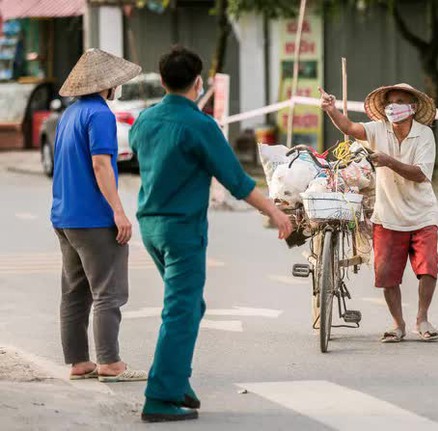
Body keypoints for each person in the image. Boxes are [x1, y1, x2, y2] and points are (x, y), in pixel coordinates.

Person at [129, 46, 293, 423]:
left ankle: (176, 379)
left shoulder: (145, 120)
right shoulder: (199, 126)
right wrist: (275, 212)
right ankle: (161, 395)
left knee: (188, 305)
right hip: (182, 230)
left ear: (164, 78)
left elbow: (140, 153)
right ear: (198, 83)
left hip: (150, 227)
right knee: (181, 309)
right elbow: (236, 181)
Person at [51, 49, 147, 382]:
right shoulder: (101, 115)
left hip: (65, 218)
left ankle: (79, 362)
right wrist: (119, 212)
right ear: (107, 85)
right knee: (108, 291)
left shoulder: (69, 115)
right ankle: (110, 363)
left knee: (75, 292)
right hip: (93, 219)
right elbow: (101, 164)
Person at [320, 83, 438, 343]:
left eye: (399, 101)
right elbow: (350, 128)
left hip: (422, 214)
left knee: (428, 266)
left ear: (412, 107)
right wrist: (331, 110)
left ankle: (422, 318)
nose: (393, 107)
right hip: (387, 215)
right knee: (386, 275)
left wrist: (388, 161)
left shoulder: (424, 135)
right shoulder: (377, 130)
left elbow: (420, 174)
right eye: (389, 103)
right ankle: (398, 324)